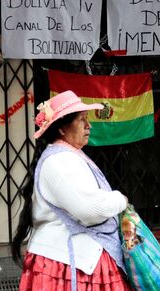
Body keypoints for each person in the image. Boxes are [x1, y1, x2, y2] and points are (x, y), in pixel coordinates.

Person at [12, 90, 131, 291]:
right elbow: (90, 210)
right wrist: (121, 200)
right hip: (66, 264)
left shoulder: (68, 155)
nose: (89, 125)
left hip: (76, 259)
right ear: (61, 129)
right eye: (81, 120)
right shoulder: (59, 161)